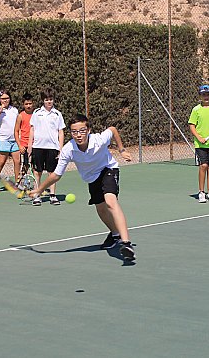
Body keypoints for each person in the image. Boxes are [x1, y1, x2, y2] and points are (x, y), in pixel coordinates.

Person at [29, 114, 136, 261]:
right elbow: (56, 175)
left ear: (89, 130)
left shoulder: (98, 140)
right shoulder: (68, 149)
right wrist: (40, 189)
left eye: (82, 130)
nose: (78, 135)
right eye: (74, 132)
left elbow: (112, 130)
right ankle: (115, 235)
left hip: (108, 169)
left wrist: (122, 150)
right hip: (92, 178)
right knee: (101, 209)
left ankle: (126, 243)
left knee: (110, 201)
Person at [27, 87, 66, 206]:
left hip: (52, 147)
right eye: (46, 100)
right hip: (38, 147)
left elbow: (60, 132)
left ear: (53, 100)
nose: (49, 102)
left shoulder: (57, 114)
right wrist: (30, 146)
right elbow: (32, 130)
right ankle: (36, 195)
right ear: (42, 100)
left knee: (52, 172)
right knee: (37, 171)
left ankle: (52, 195)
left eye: (51, 99)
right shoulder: (37, 113)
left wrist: (60, 148)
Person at [188, 84, 209, 203]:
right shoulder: (196, 109)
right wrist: (199, 137)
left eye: (208, 94)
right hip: (200, 144)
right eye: (203, 94)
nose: (206, 97)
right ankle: (201, 192)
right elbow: (192, 125)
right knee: (203, 166)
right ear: (200, 96)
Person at [0, 89, 20, 194]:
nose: (5, 100)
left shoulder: (14, 110)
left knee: (17, 161)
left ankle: (17, 184)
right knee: (1, 162)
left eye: (7, 98)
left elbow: (18, 123)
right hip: (3, 139)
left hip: (15, 139)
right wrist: (0, 110)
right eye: (3, 98)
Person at [14, 92, 35, 181]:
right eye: (26, 104)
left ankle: (36, 184)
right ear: (23, 105)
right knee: (26, 164)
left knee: (35, 166)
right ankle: (21, 181)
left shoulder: (36, 114)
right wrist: (20, 145)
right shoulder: (20, 116)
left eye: (30, 103)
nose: (28, 106)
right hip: (24, 145)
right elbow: (16, 131)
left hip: (35, 144)